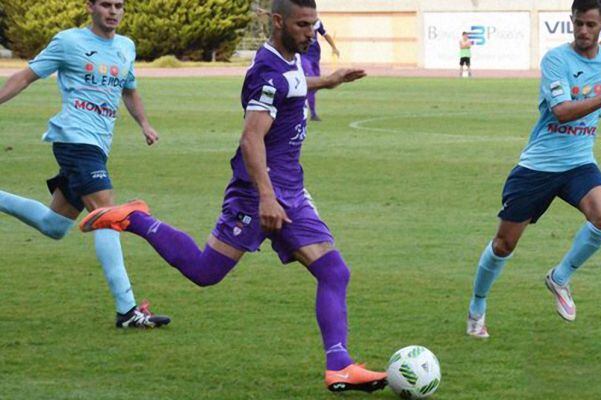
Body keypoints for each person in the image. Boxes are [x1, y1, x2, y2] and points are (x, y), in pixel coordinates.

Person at [79, 0, 387, 393]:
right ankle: (135, 218)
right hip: (257, 194)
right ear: (278, 22)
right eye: (303, 25)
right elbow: (251, 138)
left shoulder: (286, 59)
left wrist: (328, 81)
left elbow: (291, 86)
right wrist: (266, 197)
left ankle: (339, 366)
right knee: (206, 273)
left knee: (334, 272)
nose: (311, 33)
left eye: (314, 25)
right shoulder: (267, 71)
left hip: (289, 188)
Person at [466, 0, 601, 338]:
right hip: (538, 166)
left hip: (579, 163)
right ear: (571, 21)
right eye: (578, 24)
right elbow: (561, 111)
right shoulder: (556, 59)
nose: (584, 31)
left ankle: (559, 278)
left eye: (591, 24)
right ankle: (477, 307)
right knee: (504, 244)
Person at [0, 0, 169, 329]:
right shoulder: (69, 42)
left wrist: (145, 124)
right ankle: (127, 310)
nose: (113, 11)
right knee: (106, 213)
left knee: (54, 226)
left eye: (119, 5)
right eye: (106, 4)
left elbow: (129, 90)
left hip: (97, 146)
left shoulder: (125, 47)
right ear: (90, 7)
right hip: (74, 140)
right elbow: (24, 76)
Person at [302, 18, 340, 121]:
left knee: (315, 86)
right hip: (303, 57)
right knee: (310, 82)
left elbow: (325, 34)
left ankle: (308, 108)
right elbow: (285, 16)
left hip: (315, 57)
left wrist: (334, 47)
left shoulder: (317, 22)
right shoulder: (299, 20)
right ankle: (312, 113)